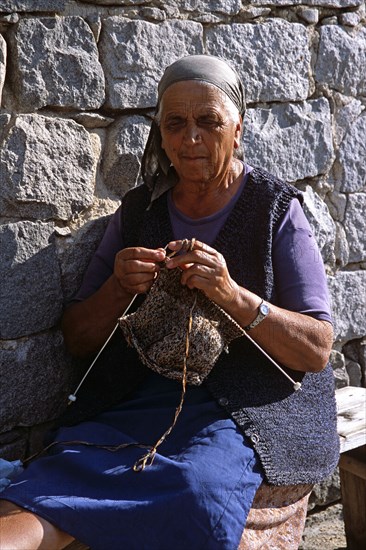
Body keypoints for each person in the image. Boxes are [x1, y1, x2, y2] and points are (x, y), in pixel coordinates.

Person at [0, 55, 339, 550]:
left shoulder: (275, 211)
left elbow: (316, 350)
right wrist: (119, 288)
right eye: (175, 124)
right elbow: (78, 338)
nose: (191, 138)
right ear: (162, 136)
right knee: (72, 462)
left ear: (237, 130)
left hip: (242, 409)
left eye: (208, 122)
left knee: (196, 488)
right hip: (142, 400)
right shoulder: (140, 213)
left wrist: (231, 294)